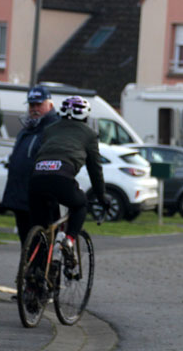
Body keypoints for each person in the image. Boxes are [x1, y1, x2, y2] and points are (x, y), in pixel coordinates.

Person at [28, 96, 108, 256]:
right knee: (80, 204)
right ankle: (69, 240)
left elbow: (38, 154)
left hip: (36, 178)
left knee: (41, 227)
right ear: (86, 116)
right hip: (62, 178)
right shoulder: (89, 134)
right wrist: (101, 196)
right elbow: (95, 169)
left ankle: (33, 271)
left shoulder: (49, 129)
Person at [2, 86, 60, 245]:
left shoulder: (53, 128)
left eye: (38, 105)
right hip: (20, 196)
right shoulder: (28, 128)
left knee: (39, 243)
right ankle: (29, 269)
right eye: (31, 105)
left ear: (50, 105)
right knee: (26, 243)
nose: (34, 109)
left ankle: (40, 269)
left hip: (40, 197)